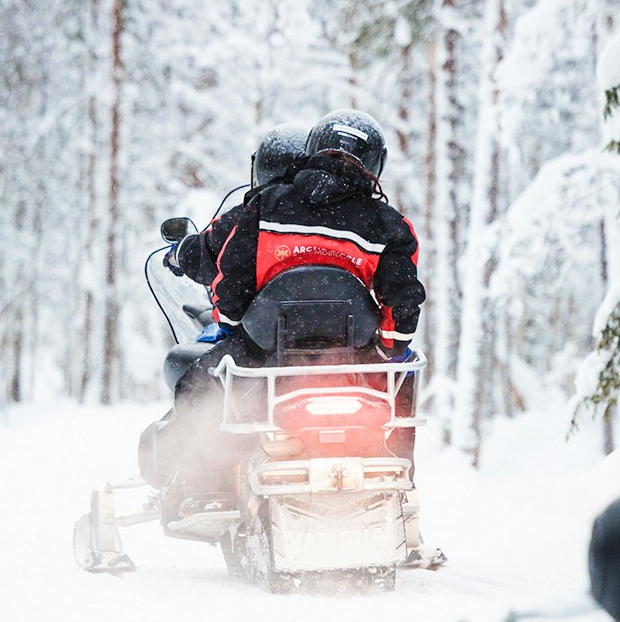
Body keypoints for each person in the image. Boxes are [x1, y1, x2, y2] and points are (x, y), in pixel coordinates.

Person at [146, 109, 426, 507]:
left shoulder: (267, 206)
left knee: (198, 383)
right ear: (376, 164)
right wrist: (389, 352)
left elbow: (232, 275)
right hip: (350, 356)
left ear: (312, 148)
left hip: (266, 349)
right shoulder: (389, 223)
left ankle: (204, 491)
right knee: (402, 382)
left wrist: (230, 325)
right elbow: (404, 298)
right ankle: (400, 491)